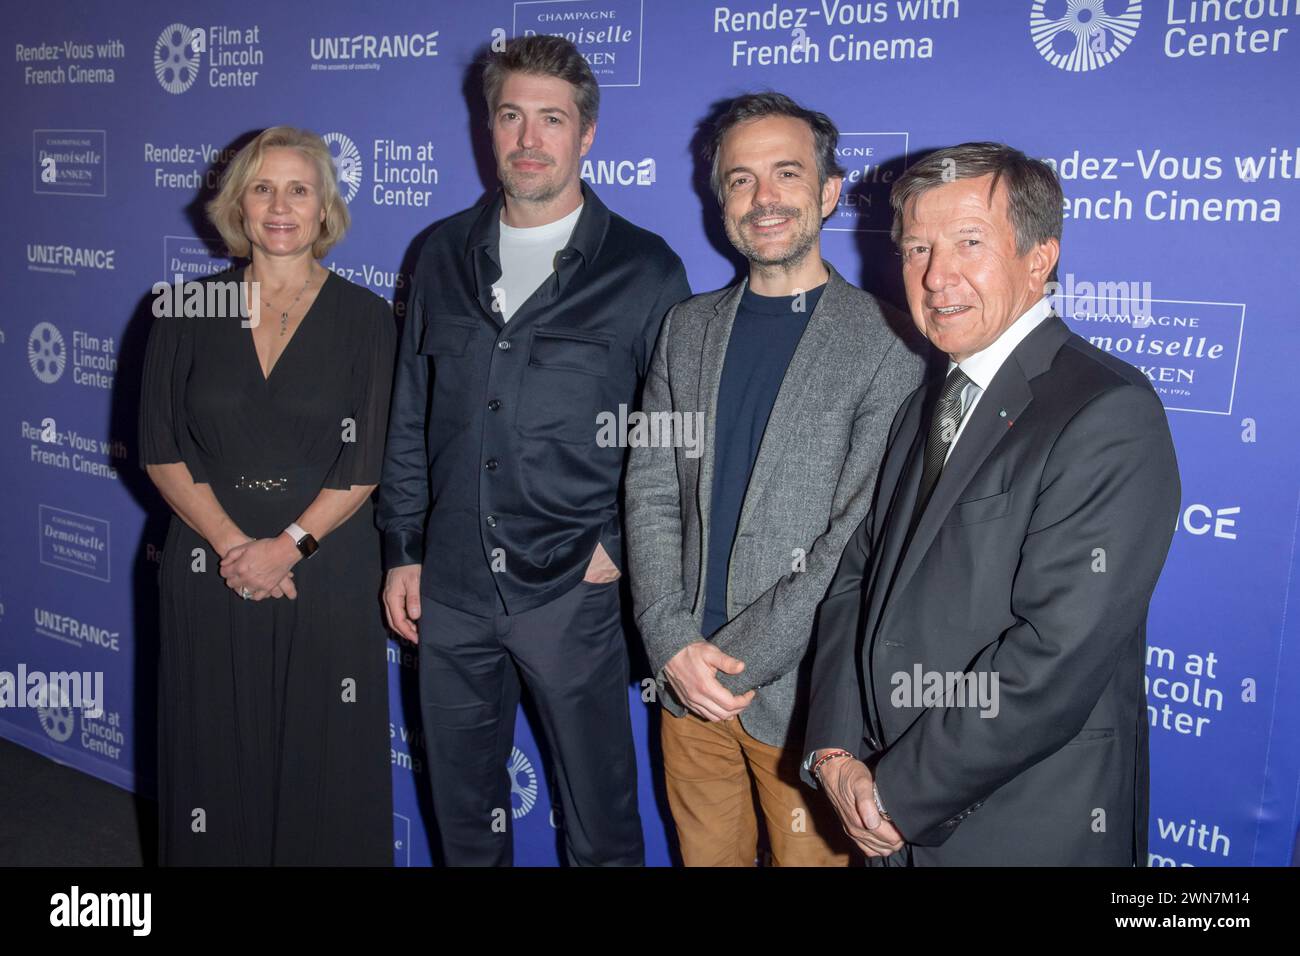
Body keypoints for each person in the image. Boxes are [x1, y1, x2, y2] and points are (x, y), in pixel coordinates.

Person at [803, 142, 1181, 866]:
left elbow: (1053, 658)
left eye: (968, 244)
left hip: (1021, 826)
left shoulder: (1106, 411)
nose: (935, 276)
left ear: (1039, 259)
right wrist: (835, 749)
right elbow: (857, 579)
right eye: (916, 248)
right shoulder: (929, 399)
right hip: (883, 812)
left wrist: (898, 793)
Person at [377, 35, 690, 867]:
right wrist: (402, 547)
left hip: (573, 593)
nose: (527, 138)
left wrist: (614, 550)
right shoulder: (440, 252)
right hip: (449, 586)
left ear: (587, 134)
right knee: (464, 820)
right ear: (489, 128)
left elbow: (672, 433)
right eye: (511, 116)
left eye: (551, 119)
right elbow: (411, 411)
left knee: (601, 826)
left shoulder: (645, 269)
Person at [623, 93, 924, 866]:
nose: (763, 199)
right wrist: (670, 640)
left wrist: (731, 664)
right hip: (684, 686)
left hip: (804, 708)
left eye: (786, 174)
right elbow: (652, 489)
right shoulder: (685, 329)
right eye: (740, 179)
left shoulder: (890, 344)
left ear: (827, 192)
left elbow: (852, 540)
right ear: (717, 197)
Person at [139, 126, 396, 865]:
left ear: (325, 210)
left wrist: (286, 549)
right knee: (211, 757)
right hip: (208, 566)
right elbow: (157, 449)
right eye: (262, 188)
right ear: (237, 205)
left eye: (298, 189)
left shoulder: (367, 319)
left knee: (325, 763)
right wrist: (233, 549)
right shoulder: (182, 309)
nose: (279, 206)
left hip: (325, 568)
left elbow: (367, 461)